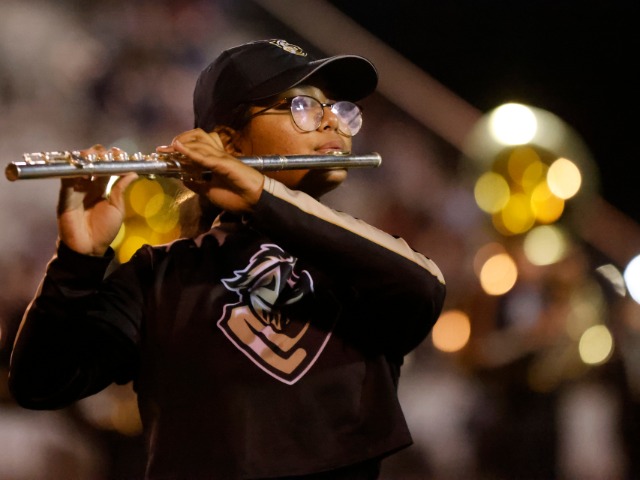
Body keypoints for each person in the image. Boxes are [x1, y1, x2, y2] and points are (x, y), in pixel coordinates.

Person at [8, 39, 446, 479]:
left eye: (339, 109)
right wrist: (76, 261)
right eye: (302, 107)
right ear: (227, 144)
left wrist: (261, 193)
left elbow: (423, 287)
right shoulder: (160, 275)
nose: (333, 122)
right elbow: (41, 382)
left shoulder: (360, 260)